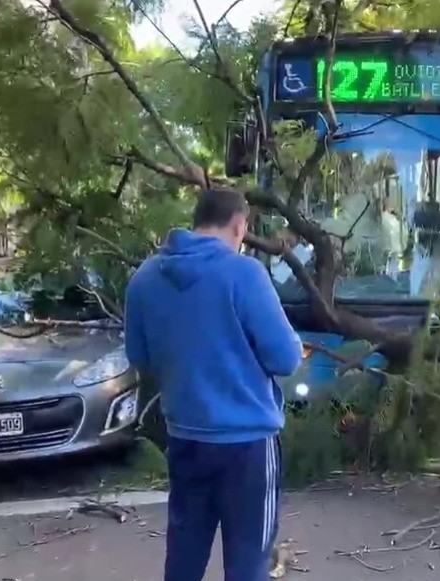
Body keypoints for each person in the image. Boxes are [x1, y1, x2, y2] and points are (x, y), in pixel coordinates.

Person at [124, 188, 303, 581]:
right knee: (248, 564)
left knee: (184, 560)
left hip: (186, 439)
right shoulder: (244, 274)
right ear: (240, 225)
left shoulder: (145, 277)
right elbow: (286, 359)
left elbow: (140, 357)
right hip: (248, 446)